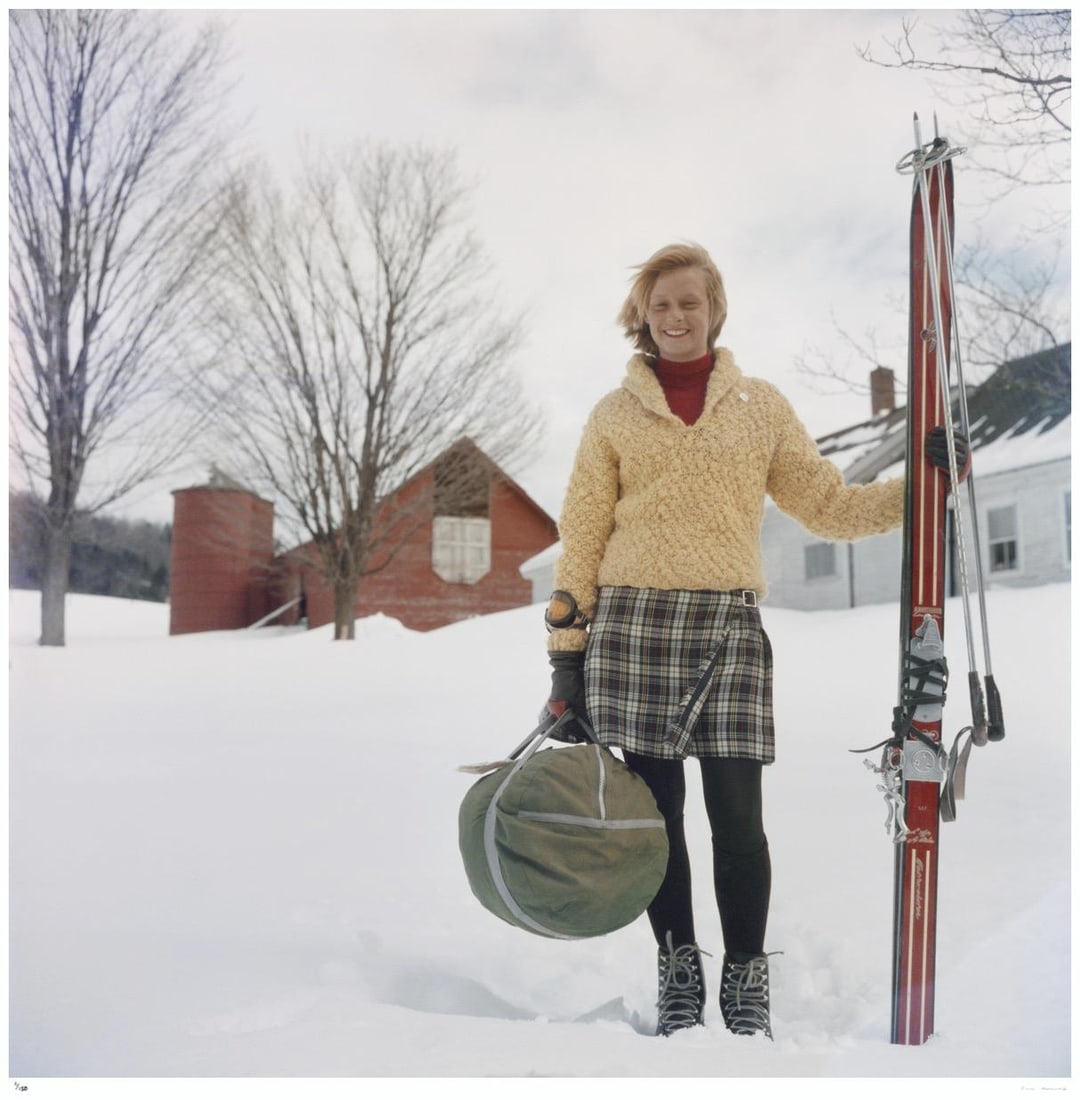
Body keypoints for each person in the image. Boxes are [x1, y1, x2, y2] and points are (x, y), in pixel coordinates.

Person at [543, 242, 967, 1039]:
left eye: (690, 302)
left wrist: (923, 482)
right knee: (656, 823)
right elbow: (583, 536)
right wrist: (567, 658)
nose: (676, 316)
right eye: (661, 303)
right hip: (632, 630)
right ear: (643, 314)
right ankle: (677, 973)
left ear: (715, 309)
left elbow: (830, 504)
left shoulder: (760, 407)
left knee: (738, 822)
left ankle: (745, 981)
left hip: (728, 628)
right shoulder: (611, 415)